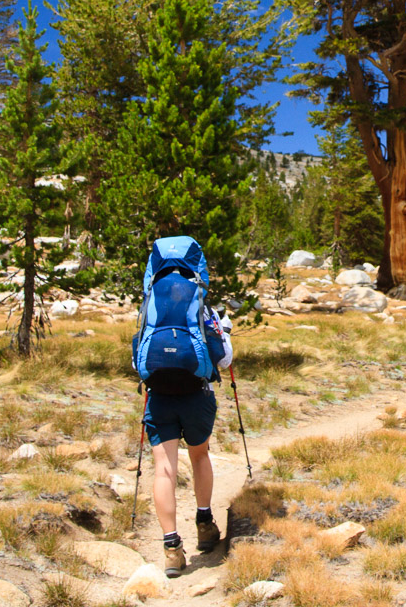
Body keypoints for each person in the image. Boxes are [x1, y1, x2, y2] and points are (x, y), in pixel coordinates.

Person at [134, 237, 234, 577]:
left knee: (164, 466)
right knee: (200, 455)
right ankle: (205, 524)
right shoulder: (202, 304)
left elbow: (139, 352)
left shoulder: (149, 303)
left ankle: (171, 548)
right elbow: (223, 357)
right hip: (196, 393)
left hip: (159, 394)